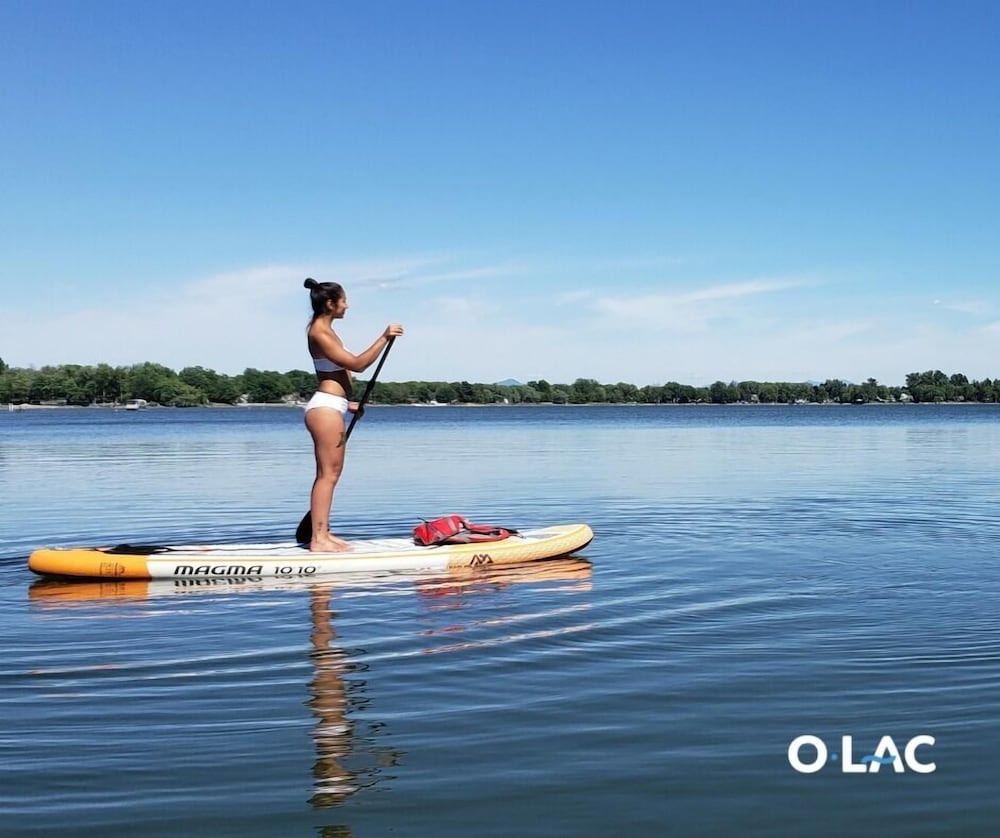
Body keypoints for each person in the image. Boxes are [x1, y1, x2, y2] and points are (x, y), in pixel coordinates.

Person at [302, 277, 404, 552]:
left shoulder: (327, 331)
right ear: (330, 303)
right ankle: (318, 539)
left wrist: (347, 404)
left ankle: (324, 533)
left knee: (330, 474)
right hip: (325, 408)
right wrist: (384, 338)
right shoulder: (320, 333)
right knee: (328, 474)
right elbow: (358, 365)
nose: (347, 306)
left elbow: (332, 374)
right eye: (344, 300)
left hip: (333, 405)